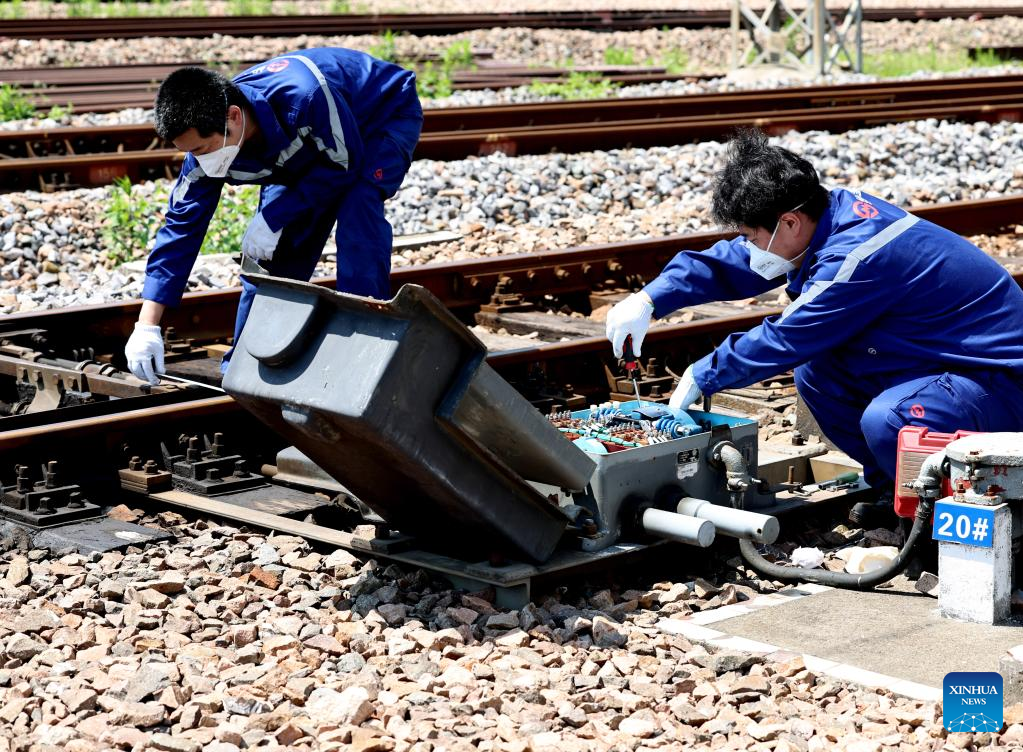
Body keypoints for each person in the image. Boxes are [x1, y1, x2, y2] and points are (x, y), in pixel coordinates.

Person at [606, 129, 1023, 526]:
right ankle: (896, 492)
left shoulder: (856, 257)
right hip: (938, 355)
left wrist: (704, 373)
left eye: (751, 236)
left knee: (889, 420)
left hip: (999, 378)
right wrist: (650, 299)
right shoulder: (824, 214)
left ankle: (936, 521)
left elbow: (789, 335)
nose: (748, 246)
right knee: (818, 372)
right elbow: (736, 261)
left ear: (789, 222)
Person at [125, 47, 423, 383]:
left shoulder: (305, 96)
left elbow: (344, 166)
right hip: (317, 143)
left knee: (358, 210)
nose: (199, 160)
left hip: (378, 117)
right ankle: (246, 367)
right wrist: (147, 324)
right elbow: (182, 227)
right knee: (270, 252)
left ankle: (366, 348)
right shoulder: (208, 144)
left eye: (201, 149)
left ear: (233, 117)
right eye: (189, 153)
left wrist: (274, 215)